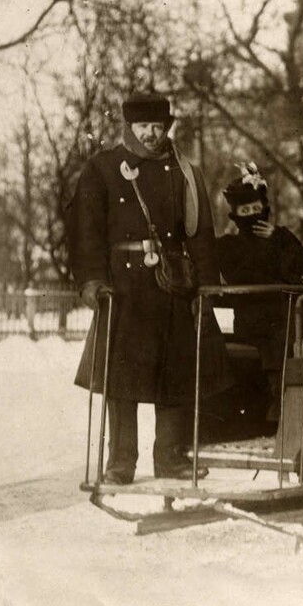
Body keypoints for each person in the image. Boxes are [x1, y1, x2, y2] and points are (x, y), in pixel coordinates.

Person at [70, 92, 232, 485]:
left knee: (174, 378)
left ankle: (171, 459)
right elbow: (85, 233)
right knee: (121, 383)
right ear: (128, 126)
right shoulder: (103, 168)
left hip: (173, 286)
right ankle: (121, 463)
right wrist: (93, 282)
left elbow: (201, 236)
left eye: (158, 127)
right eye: (144, 127)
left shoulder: (184, 172)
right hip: (123, 291)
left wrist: (206, 289)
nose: (152, 135)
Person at [217, 164, 303, 418]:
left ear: (265, 210)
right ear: (236, 215)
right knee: (287, 338)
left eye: (256, 209)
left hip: (294, 313)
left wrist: (280, 238)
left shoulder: (279, 238)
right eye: (245, 211)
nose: (252, 215)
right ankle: (282, 403)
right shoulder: (230, 246)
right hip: (258, 319)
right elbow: (242, 274)